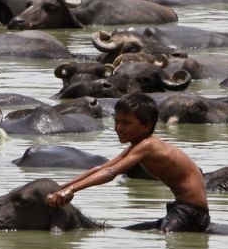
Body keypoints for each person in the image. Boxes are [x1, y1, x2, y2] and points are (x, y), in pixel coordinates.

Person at [46, 92, 210, 233]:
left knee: (164, 238)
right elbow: (103, 168)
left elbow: (111, 173)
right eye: (117, 122)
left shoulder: (149, 145)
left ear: (146, 125)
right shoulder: (138, 144)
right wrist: (62, 188)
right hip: (180, 208)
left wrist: (72, 190)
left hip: (191, 212)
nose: (119, 128)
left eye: (126, 123)